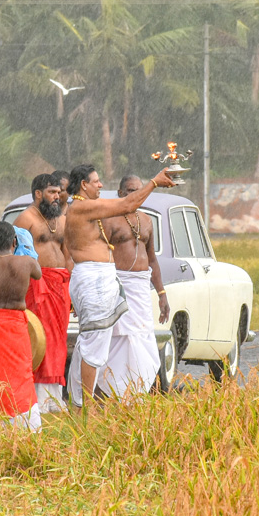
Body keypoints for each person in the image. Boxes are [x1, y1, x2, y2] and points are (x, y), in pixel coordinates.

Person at [64, 163, 175, 407]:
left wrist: (162, 292)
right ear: (84, 185)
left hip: (100, 280)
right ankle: (85, 407)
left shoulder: (85, 208)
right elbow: (127, 204)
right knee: (94, 345)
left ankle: (83, 403)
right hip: (93, 280)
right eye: (96, 181)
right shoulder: (82, 207)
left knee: (95, 342)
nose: (101, 185)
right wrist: (154, 182)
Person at [101, 174, 169, 397]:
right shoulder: (109, 219)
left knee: (142, 337)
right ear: (120, 194)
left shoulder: (147, 220)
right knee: (121, 338)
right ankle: (113, 392)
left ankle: (136, 391)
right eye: (131, 190)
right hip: (119, 286)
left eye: (140, 190)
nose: (137, 194)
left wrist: (161, 293)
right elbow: (100, 256)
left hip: (140, 288)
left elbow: (152, 260)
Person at [0, 222, 42, 430]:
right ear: (14, 242)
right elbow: (38, 273)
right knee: (21, 372)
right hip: (15, 324)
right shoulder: (26, 263)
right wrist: (22, 242)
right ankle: (26, 422)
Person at [14, 173, 70, 412]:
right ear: (38, 194)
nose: (57, 197)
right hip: (37, 284)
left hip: (60, 285)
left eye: (58, 192)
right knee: (40, 338)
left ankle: (55, 395)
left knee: (59, 341)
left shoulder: (61, 220)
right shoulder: (25, 219)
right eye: (51, 192)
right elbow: (15, 257)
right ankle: (38, 396)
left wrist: (71, 285)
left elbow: (67, 254)